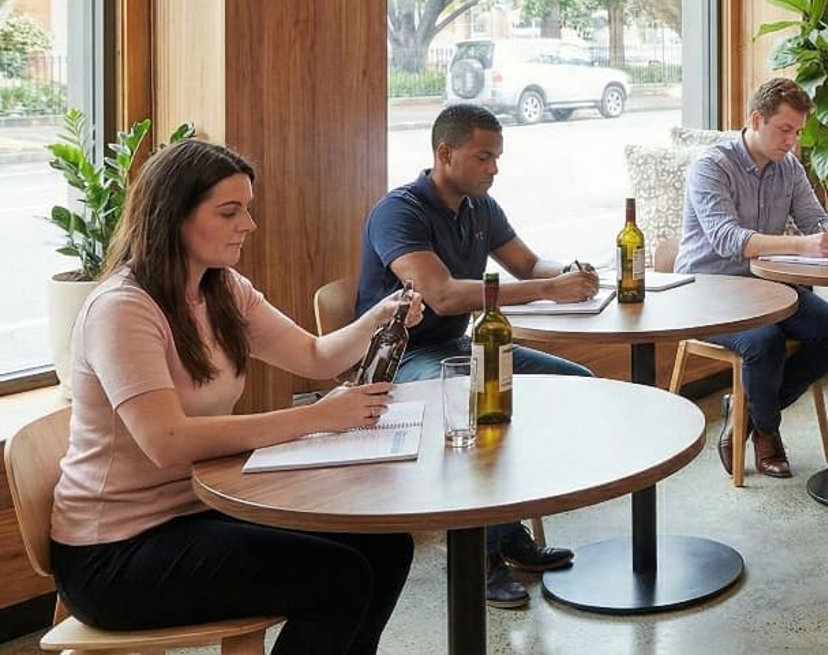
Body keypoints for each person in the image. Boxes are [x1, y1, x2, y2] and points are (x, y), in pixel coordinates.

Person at [51, 139, 417, 655]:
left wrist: (378, 318)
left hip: (198, 510)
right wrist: (315, 418)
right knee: (338, 579)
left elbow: (314, 356)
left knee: (386, 545)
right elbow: (167, 441)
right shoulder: (122, 308)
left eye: (247, 209)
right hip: (114, 551)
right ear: (172, 216)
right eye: (230, 212)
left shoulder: (223, 290)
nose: (248, 224)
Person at [355, 103, 593, 608]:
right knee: (478, 409)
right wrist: (549, 289)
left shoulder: (481, 207)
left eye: (497, 157)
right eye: (484, 157)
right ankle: (481, 556)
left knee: (576, 384)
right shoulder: (400, 211)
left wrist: (569, 271)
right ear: (445, 153)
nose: (494, 169)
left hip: (459, 349)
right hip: (403, 360)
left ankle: (507, 533)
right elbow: (440, 295)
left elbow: (528, 264)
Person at [677, 77, 828, 478]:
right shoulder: (712, 166)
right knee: (765, 342)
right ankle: (767, 433)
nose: (792, 142)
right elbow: (727, 239)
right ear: (756, 119)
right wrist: (802, 246)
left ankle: (746, 411)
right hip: (709, 289)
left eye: (797, 132)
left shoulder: (789, 167)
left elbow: (815, 219)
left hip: (767, 287)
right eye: (785, 130)